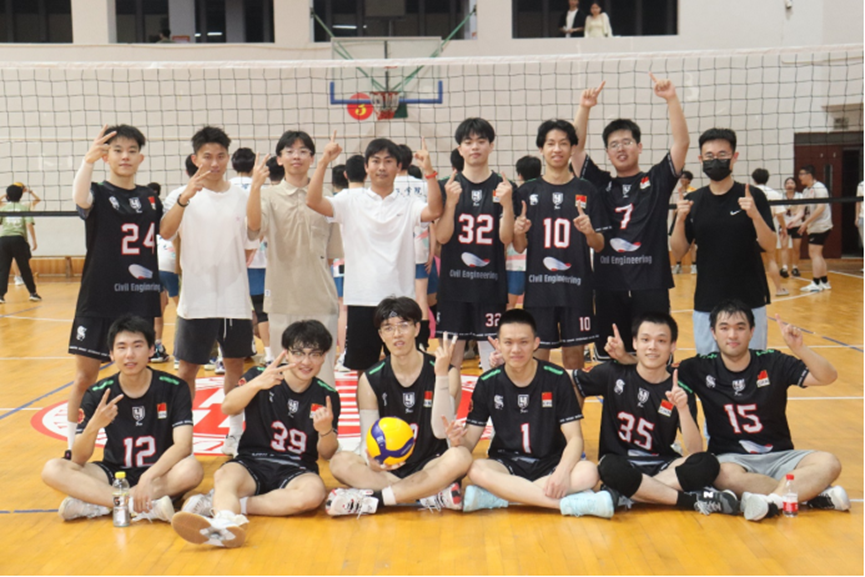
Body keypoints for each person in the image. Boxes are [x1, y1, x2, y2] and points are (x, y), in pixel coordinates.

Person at [677, 299, 849, 522]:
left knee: (829, 462)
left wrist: (800, 349)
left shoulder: (773, 361)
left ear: (752, 331)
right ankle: (809, 494)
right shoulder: (698, 367)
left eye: (740, 328)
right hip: (732, 460)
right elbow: (657, 370)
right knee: (722, 475)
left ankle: (772, 502)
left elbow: (828, 376)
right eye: (724, 328)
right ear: (713, 333)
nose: (732, 335)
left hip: (781, 456)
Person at [172, 321, 341, 547]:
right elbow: (228, 407)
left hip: (297, 468)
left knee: (313, 494)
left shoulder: (327, 395)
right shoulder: (260, 375)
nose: (306, 361)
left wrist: (325, 430)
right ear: (286, 353)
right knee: (225, 475)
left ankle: (228, 506)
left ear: (324, 356)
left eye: (314, 354)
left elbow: (327, 453)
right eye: (299, 353)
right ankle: (224, 525)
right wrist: (255, 385)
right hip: (252, 461)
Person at [449, 309, 612, 518]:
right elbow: (470, 440)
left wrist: (562, 472)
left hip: (550, 463)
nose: (516, 349)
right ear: (498, 345)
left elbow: (575, 438)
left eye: (523, 342)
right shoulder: (487, 382)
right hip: (506, 463)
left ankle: (502, 496)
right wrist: (458, 441)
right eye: (508, 342)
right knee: (476, 469)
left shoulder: (556, 377)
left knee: (589, 472)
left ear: (536, 343)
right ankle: (566, 504)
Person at [574, 313, 738, 516]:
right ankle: (690, 501)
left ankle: (627, 495)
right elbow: (571, 380)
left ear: (672, 346)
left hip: (662, 465)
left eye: (661, 341)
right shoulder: (613, 373)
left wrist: (683, 409)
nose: (652, 347)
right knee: (608, 467)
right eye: (645, 340)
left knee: (707, 462)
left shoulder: (679, 389)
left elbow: (695, 450)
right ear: (634, 343)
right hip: (622, 463)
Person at [572, 76, 689, 359]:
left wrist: (671, 99)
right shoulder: (599, 183)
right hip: (609, 284)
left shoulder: (657, 181)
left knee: (653, 357)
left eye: (627, 142)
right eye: (614, 144)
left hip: (650, 283)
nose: (621, 148)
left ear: (639, 146)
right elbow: (575, 149)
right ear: (607, 153)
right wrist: (584, 108)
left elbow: (682, 143)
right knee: (612, 357)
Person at [42, 315, 202, 522]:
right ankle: (137, 505)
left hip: (160, 474)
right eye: (121, 347)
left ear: (151, 350)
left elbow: (183, 446)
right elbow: (78, 458)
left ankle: (101, 503)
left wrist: (148, 476)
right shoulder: (98, 393)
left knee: (191, 469)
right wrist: (94, 426)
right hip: (114, 473)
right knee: (53, 469)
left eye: (137, 346)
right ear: (111, 353)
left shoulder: (174, 388)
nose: (129, 355)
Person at [160, 126, 259, 457]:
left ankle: (234, 432)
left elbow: (252, 240)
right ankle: (183, 436)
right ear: (195, 159)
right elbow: (165, 231)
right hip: (196, 299)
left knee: (235, 368)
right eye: (207, 156)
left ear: (228, 158)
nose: (214, 163)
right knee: (186, 370)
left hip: (234, 299)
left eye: (220, 156)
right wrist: (186, 198)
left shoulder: (242, 196)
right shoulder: (180, 195)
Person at [306, 134, 442, 374]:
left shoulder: (408, 202)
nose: (382, 167)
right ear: (366, 167)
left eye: (388, 161)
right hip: (362, 298)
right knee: (363, 370)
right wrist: (324, 161)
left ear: (398, 167)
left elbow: (434, 210)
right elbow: (313, 201)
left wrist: (429, 172)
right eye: (376, 161)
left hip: (400, 298)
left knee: (403, 366)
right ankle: (367, 402)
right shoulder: (350, 199)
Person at [65, 125, 164, 453]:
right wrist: (88, 161)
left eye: (132, 150)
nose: (125, 156)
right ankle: (73, 446)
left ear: (140, 158)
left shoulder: (150, 198)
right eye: (118, 150)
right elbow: (79, 198)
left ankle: (141, 443)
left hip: (138, 299)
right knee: (84, 378)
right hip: (98, 298)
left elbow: (163, 235)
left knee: (138, 377)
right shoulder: (97, 192)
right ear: (107, 156)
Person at [326, 297, 472, 515]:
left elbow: (441, 432)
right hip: (389, 468)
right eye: (388, 328)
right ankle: (427, 493)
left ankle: (378, 499)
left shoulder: (446, 371)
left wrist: (441, 376)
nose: (397, 334)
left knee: (461, 457)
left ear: (417, 328)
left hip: (431, 463)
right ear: (381, 335)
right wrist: (372, 462)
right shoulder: (370, 379)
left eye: (403, 325)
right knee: (339, 463)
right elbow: (368, 437)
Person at [247, 131, 344, 387]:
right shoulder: (268, 196)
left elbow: (331, 255)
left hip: (321, 299)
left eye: (303, 151)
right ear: (279, 159)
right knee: (285, 374)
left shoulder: (327, 200)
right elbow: (254, 227)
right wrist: (255, 187)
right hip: (282, 299)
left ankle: (325, 415)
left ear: (312, 158)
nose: (296, 156)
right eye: (289, 151)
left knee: (323, 373)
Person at [513, 119, 609, 371]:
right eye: (551, 143)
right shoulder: (526, 192)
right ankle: (541, 400)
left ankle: (573, 400)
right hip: (539, 290)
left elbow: (599, 245)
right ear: (541, 149)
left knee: (574, 360)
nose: (557, 149)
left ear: (572, 148)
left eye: (563, 143)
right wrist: (518, 232)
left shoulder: (587, 190)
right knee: (537, 359)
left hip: (576, 289)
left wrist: (589, 231)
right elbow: (519, 247)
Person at [670, 128, 776, 355]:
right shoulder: (693, 200)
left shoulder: (753, 196)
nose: (715, 160)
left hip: (749, 299)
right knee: (709, 369)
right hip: (708, 300)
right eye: (709, 156)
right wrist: (679, 220)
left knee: (753, 367)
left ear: (734, 157)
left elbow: (770, 245)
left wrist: (755, 215)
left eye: (722, 155)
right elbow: (677, 252)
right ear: (700, 159)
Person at [436, 118, 517, 372]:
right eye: (468, 142)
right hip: (453, 288)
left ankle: (493, 402)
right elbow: (442, 238)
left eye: (481, 141)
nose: (475, 147)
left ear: (491, 146)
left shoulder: (505, 188)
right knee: (450, 364)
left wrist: (507, 205)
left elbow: (506, 239)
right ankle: (447, 402)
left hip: (490, 287)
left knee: (494, 362)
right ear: (460, 149)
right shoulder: (446, 187)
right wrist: (450, 204)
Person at [393, 144, 437, 350]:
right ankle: (421, 343)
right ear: (410, 161)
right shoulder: (424, 186)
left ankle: (396, 342)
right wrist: (431, 252)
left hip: (394, 251)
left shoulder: (387, 186)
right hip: (420, 247)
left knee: (395, 297)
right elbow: (433, 219)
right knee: (421, 297)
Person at [333, 155, 367, 372]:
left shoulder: (337, 199)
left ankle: (345, 355)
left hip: (341, 260)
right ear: (367, 172)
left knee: (343, 308)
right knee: (364, 307)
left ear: (345, 175)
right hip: (365, 261)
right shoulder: (373, 198)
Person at [507, 156, 541, 310]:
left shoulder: (518, 193)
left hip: (517, 260)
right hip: (541, 259)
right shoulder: (547, 190)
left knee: (510, 305)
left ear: (519, 175)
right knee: (538, 306)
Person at [751, 169, 788, 297]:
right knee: (771, 259)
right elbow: (780, 215)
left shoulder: (749, 192)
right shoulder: (774, 194)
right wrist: (784, 228)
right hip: (767, 229)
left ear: (753, 179)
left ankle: (754, 291)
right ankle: (779, 290)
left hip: (752, 229)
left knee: (752, 261)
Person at [0, 183, 40, 304]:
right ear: (21, 195)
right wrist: (34, 240)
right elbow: (29, 224)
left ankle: (0, 295)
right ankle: (33, 293)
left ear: (7, 196)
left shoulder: (3, 208)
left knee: (3, 268)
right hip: (18, 239)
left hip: (4, 240)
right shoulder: (24, 208)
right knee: (24, 268)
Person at [797, 165, 833, 292]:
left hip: (821, 225)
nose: (799, 177)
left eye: (801, 174)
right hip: (813, 226)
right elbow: (802, 209)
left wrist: (805, 222)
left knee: (814, 253)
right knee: (817, 254)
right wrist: (794, 221)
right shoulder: (805, 191)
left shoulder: (819, 188)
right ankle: (825, 282)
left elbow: (821, 207)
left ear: (809, 175)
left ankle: (816, 283)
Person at [670, 171, 696, 275]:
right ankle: (678, 265)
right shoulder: (677, 191)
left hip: (689, 219)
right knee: (676, 242)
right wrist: (674, 220)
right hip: (678, 218)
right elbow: (673, 207)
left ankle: (694, 265)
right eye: (681, 177)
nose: (682, 179)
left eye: (684, 178)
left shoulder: (693, 191)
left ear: (689, 180)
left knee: (692, 243)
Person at [780, 177, 803, 278]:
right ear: (785, 186)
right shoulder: (781, 197)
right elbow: (779, 213)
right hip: (784, 225)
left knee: (796, 248)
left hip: (796, 225)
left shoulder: (800, 196)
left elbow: (800, 211)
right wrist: (783, 225)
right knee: (784, 246)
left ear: (795, 185)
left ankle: (795, 267)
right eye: (787, 183)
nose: (789, 185)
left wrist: (793, 221)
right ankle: (784, 268)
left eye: (792, 183)